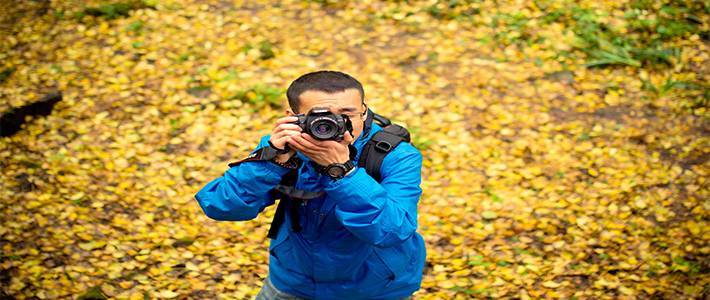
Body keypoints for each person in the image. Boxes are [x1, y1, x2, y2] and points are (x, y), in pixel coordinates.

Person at [194, 70, 426, 300]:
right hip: (294, 281)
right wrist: (272, 163)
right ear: (292, 116)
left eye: (347, 114)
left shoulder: (396, 156)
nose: (336, 124)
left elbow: (394, 231)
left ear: (363, 112)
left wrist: (344, 172)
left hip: (374, 288)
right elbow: (221, 206)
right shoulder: (285, 146)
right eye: (321, 116)